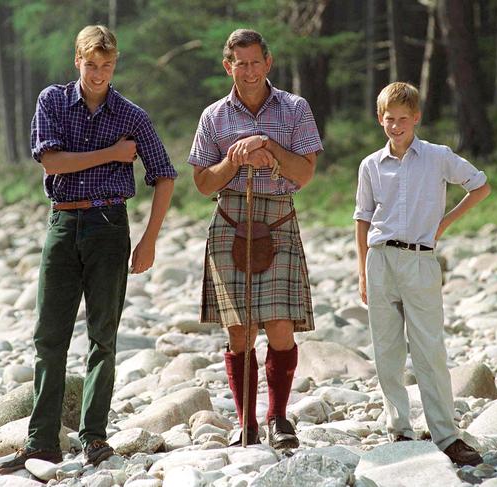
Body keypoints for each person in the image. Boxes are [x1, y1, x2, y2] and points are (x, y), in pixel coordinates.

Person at [0, 25, 177, 474]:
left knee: (103, 338)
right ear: (77, 60)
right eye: (91, 64)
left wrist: (150, 239)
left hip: (109, 225)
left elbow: (165, 174)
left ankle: (94, 438)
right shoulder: (52, 101)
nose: (98, 73)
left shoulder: (131, 114)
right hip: (63, 222)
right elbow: (52, 160)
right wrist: (113, 153)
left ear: (115, 63)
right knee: (49, 338)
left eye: (107, 65)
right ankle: (42, 444)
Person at [188, 29, 322, 449]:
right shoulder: (213, 117)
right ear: (228, 66)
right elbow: (202, 183)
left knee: (280, 326)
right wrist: (236, 158)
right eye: (239, 63)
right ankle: (245, 423)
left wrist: (267, 145)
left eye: (254, 62)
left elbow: (303, 174)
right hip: (230, 218)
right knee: (239, 331)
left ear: (269, 62)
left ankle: (278, 419)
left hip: (279, 218)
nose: (247, 71)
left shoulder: (296, 108)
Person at [354, 82, 491, 466]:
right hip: (380, 261)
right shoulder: (370, 165)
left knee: (429, 350)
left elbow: (480, 186)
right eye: (388, 119)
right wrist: (362, 271)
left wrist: (444, 224)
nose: (395, 126)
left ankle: (447, 435)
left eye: (402, 119)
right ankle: (398, 429)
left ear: (416, 118)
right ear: (380, 119)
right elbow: (363, 219)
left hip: (420, 261)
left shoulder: (437, 156)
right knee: (387, 351)